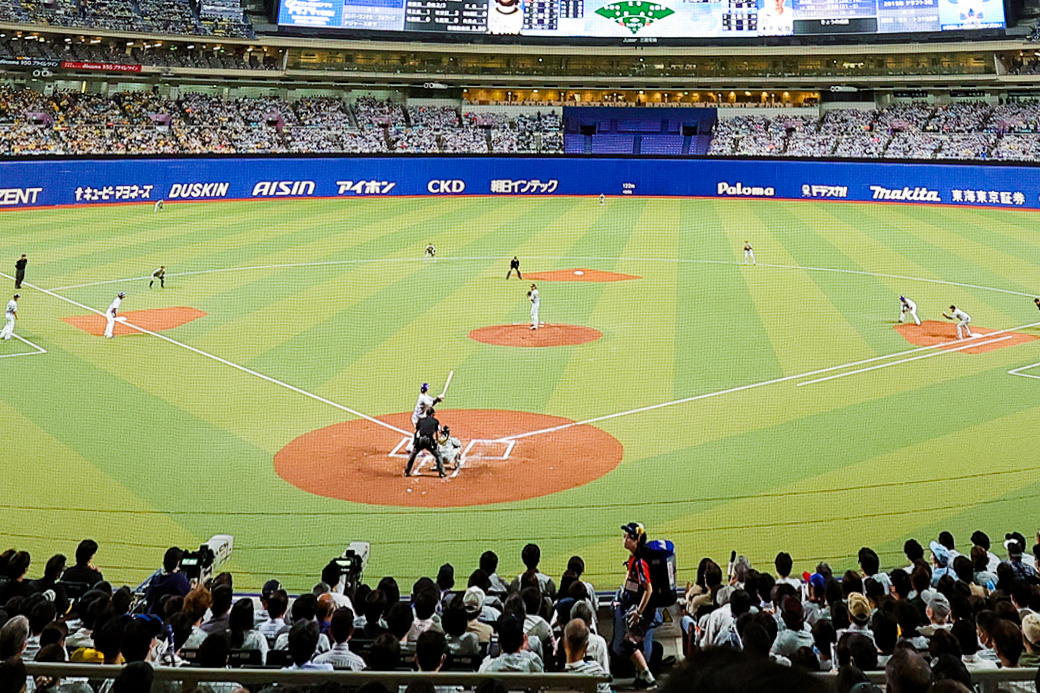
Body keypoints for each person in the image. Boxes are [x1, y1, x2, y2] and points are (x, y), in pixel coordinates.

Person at [614, 522, 656, 689]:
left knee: (628, 643)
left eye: (627, 537)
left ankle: (648, 677)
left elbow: (649, 589)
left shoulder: (640, 563)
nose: (624, 539)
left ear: (636, 540)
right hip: (637, 607)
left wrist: (639, 612)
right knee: (635, 643)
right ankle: (641, 677)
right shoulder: (634, 559)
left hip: (643, 610)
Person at [405, 407, 446, 478]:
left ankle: (407, 471)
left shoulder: (421, 420)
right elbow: (436, 433)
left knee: (413, 454)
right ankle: (442, 473)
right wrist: (436, 443)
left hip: (420, 440)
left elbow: (416, 432)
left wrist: (415, 442)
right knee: (438, 455)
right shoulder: (435, 421)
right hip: (428, 440)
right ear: (432, 414)